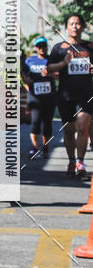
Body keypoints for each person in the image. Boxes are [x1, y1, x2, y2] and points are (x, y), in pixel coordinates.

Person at [48, 14, 93, 177]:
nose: (75, 26)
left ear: (83, 27)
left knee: (82, 126)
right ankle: (71, 161)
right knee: (69, 130)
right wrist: (63, 63)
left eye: (78, 23)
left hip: (86, 95)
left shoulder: (89, 47)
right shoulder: (59, 48)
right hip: (66, 95)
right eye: (72, 24)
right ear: (66, 27)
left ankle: (80, 163)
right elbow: (48, 69)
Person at [22, 36, 56, 159]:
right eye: (39, 46)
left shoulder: (51, 60)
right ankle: (35, 147)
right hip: (35, 97)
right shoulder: (30, 60)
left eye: (44, 46)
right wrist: (27, 81)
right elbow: (23, 73)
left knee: (47, 123)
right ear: (36, 48)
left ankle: (45, 148)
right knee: (35, 121)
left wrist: (51, 73)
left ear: (47, 47)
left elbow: (59, 74)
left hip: (49, 96)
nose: (42, 48)